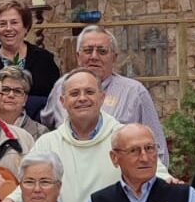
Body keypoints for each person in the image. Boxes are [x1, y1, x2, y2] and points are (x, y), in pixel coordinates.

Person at [0, 68, 169, 202]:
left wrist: (169, 182)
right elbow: (27, 185)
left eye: (89, 92)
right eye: (74, 93)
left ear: (102, 98)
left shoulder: (125, 137)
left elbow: (154, 173)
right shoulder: (48, 143)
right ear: (62, 101)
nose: (82, 98)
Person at [42, 25, 170, 165]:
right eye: (88, 50)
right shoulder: (61, 86)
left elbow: (158, 148)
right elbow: (47, 128)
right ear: (78, 56)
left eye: (102, 51)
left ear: (114, 57)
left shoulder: (134, 92)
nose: (94, 56)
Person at [0, 0, 58, 120]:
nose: (8, 28)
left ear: (26, 27)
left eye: (14, 22)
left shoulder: (44, 60)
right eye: (3, 24)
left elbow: (55, 99)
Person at [0, 67, 48, 140]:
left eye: (17, 91)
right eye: (5, 89)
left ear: (25, 99)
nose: (11, 95)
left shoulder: (40, 133)